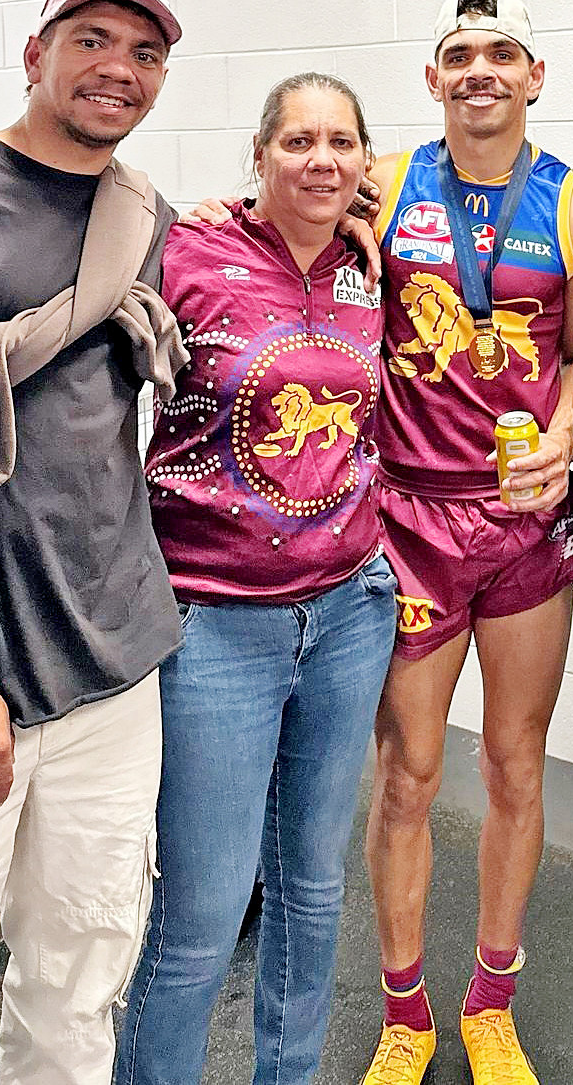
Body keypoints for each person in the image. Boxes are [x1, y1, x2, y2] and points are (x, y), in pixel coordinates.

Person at [114, 73, 397, 1085]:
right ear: (260, 154)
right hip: (215, 625)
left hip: (350, 616)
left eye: (341, 142)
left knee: (315, 893)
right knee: (199, 917)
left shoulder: (376, 265)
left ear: (367, 161)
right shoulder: (186, 251)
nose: (321, 160)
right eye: (298, 142)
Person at [361, 0, 573, 1085]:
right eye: (458, 55)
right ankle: (405, 1011)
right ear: (432, 80)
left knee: (515, 764)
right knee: (409, 777)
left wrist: (563, 437)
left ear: (535, 77)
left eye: (501, 54)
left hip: (522, 525)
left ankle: (490, 1003)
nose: (479, 71)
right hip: (410, 516)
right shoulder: (382, 182)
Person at [0, 0, 184, 1085]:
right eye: (91, 40)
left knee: (79, 987)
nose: (117, 70)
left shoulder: (140, 216)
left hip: (112, 666)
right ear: (33, 53)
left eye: (143, 54)